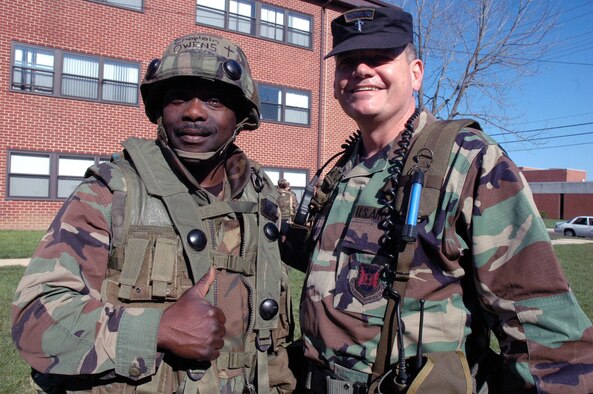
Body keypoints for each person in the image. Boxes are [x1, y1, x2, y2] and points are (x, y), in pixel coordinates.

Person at [291, 6, 593, 393]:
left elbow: (543, 328)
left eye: (380, 56)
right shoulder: (340, 171)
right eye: (348, 61)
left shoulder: (468, 160)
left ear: (416, 72)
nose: (361, 70)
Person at [11, 33, 296, 394]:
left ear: (240, 115)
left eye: (213, 99)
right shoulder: (112, 191)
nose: (193, 111)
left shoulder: (260, 197)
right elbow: (36, 321)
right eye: (178, 97)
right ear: (160, 109)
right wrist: (156, 329)